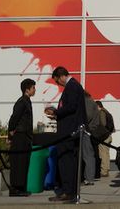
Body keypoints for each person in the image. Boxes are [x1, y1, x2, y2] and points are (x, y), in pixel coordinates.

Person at [45, 66, 86, 203]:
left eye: (57, 81)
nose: (58, 84)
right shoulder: (74, 86)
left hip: (69, 132)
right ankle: (69, 190)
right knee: (69, 161)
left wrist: (56, 112)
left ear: (61, 76)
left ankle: (68, 191)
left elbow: (71, 106)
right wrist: (57, 115)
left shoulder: (72, 86)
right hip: (70, 129)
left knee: (65, 161)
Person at [8, 78, 36, 197]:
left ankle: (21, 187)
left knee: (23, 162)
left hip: (25, 136)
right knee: (18, 162)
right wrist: (10, 134)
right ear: (27, 89)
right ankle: (15, 189)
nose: (35, 90)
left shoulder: (27, 101)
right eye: (33, 88)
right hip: (20, 136)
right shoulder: (21, 102)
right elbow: (14, 118)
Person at [83, 92, 99, 185]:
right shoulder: (91, 102)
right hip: (90, 131)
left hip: (87, 132)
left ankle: (89, 178)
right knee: (89, 155)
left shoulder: (87, 102)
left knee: (88, 156)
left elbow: (87, 116)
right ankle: (88, 177)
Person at [95, 101, 115, 177]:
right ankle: (107, 169)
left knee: (103, 154)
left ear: (98, 106)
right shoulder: (107, 112)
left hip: (104, 136)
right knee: (106, 153)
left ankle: (104, 171)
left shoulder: (101, 113)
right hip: (109, 136)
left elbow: (103, 124)